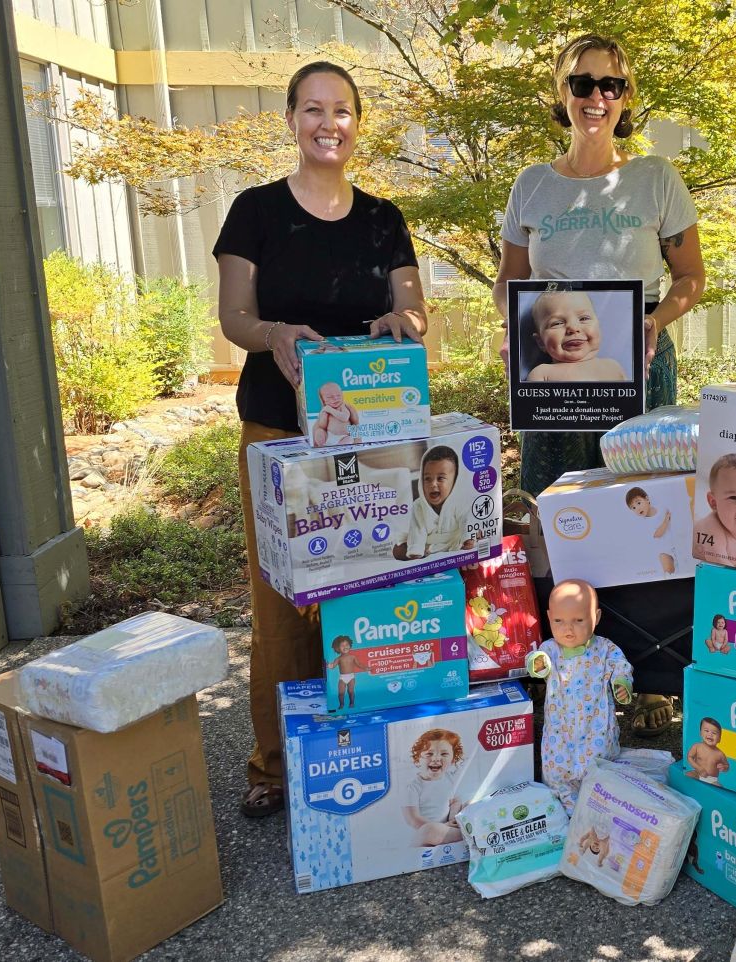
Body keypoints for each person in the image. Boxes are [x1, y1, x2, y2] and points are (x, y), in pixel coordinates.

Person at [214, 61, 428, 818]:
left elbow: (413, 311)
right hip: (278, 427)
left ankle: (365, 739)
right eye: (312, 109)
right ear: (291, 119)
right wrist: (273, 333)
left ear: (358, 123)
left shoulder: (383, 217)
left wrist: (401, 325)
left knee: (369, 580)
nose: (327, 123)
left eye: (341, 110)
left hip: (373, 434)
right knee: (282, 594)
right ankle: (273, 764)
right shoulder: (256, 211)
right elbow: (233, 315)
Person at [496, 33, 705, 736]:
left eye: (610, 85)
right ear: (561, 95)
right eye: (581, 84)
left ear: (627, 98)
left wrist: (653, 319)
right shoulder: (532, 183)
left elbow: (691, 279)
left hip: (638, 370)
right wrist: (511, 334)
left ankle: (650, 679)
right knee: (554, 518)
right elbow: (511, 284)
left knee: (641, 517)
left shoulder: (654, 179)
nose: (595, 97)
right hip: (553, 378)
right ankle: (562, 668)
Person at [526, 579, 634, 813]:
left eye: (578, 620)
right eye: (558, 621)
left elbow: (621, 666)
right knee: (557, 774)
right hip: (560, 732)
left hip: (595, 728)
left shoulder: (605, 649)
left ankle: (596, 807)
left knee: (599, 771)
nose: (568, 629)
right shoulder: (551, 649)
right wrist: (538, 663)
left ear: (596, 617)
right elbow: (537, 662)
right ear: (549, 616)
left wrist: (621, 682)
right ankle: (564, 812)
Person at [524, 290, 627, 382]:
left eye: (583, 319)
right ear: (541, 342)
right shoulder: (542, 374)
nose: (573, 328)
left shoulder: (613, 367)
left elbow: (632, 401)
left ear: (599, 327)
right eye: (557, 323)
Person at [396, 445, 475, 560]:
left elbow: (467, 520)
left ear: (455, 481)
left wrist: (468, 538)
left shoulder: (460, 501)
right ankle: (421, 552)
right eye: (427, 479)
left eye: (440, 478)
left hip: (455, 540)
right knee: (398, 550)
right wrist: (416, 550)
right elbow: (417, 529)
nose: (433, 484)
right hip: (427, 545)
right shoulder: (419, 505)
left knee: (476, 534)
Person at [402, 729, 466, 846]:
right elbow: (413, 819)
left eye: (444, 754)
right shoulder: (413, 786)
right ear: (418, 759)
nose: (436, 758)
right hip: (426, 835)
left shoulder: (449, 779)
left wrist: (453, 818)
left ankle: (463, 830)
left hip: (447, 829)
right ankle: (468, 833)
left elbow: (455, 801)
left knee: (469, 804)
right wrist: (443, 826)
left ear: (453, 759)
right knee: (429, 829)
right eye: (429, 754)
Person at [624, 485, 676, 576]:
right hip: (663, 550)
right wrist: (666, 521)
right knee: (669, 571)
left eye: (638, 503)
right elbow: (657, 534)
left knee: (679, 567)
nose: (637, 509)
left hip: (674, 544)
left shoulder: (661, 508)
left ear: (647, 499)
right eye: (633, 508)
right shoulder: (644, 523)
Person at [312, 381, 359, 446]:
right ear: (323, 400)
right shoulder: (325, 410)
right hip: (329, 435)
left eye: (338, 395)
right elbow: (322, 425)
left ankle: (339, 446)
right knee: (319, 431)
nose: (335, 398)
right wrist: (323, 414)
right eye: (329, 397)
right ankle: (322, 445)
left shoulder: (342, 406)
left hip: (344, 436)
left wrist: (331, 410)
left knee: (350, 439)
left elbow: (345, 418)